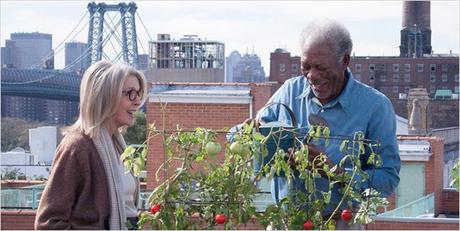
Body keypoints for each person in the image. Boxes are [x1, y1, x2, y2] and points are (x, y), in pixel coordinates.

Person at [255, 19, 400, 229]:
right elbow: (248, 137)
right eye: (306, 66)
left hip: (340, 224)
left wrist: (334, 170)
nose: (312, 75)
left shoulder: (375, 107)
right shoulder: (289, 92)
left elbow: (387, 179)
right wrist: (252, 130)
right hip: (286, 224)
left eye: (321, 67)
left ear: (345, 61)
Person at [35, 61, 148, 230]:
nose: (138, 101)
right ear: (105, 97)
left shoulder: (117, 146)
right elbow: (48, 223)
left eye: (139, 93)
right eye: (130, 93)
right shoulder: (78, 147)